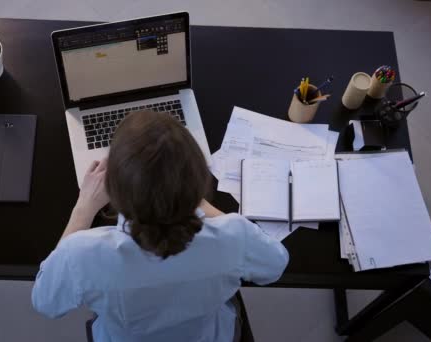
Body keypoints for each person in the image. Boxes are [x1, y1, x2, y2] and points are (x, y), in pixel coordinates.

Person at [32, 110, 289, 342]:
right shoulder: (234, 235)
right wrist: (201, 205)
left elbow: (45, 302)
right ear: (199, 180)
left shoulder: (81, 254)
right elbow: (276, 265)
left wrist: (83, 208)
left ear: (114, 190)